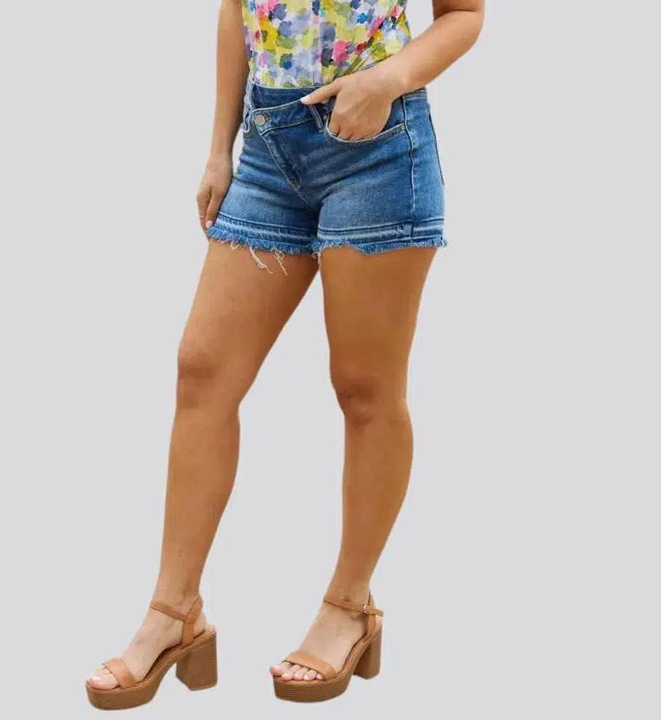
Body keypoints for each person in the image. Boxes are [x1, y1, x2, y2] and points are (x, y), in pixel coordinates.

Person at [86, 0, 483, 707]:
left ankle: (349, 605)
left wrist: (388, 78)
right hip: (266, 151)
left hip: (378, 147)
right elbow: (236, 7)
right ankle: (175, 611)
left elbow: (465, 15)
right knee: (203, 372)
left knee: (364, 389)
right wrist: (219, 149)